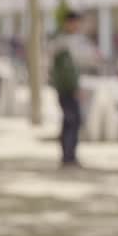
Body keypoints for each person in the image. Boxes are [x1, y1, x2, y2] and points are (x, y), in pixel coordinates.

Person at [50, 10, 86, 168]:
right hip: (67, 88)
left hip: (67, 87)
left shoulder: (65, 40)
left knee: (70, 121)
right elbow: (67, 70)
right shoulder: (62, 42)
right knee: (72, 120)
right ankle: (68, 156)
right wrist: (74, 87)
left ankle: (69, 155)